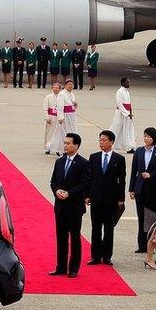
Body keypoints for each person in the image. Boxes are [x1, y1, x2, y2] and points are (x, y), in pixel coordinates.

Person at [49, 133, 90, 278]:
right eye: (64, 143)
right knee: (61, 237)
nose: (65, 146)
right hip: (60, 206)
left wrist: (69, 193)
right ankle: (60, 267)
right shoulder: (59, 162)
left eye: (68, 143)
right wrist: (57, 190)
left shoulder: (83, 163)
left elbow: (84, 184)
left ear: (76, 145)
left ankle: (73, 268)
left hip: (74, 207)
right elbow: (53, 181)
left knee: (74, 237)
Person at [85, 130, 126, 266]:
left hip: (111, 199)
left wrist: (121, 199)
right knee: (95, 228)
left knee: (109, 228)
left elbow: (122, 180)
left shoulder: (119, 159)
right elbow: (89, 178)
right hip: (96, 198)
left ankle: (107, 256)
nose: (101, 142)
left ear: (111, 142)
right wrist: (88, 195)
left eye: (104, 140)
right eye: (100, 140)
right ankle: (95, 256)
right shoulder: (94, 157)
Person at [129, 128, 156, 255]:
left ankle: (151, 244)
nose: (146, 139)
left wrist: (151, 175)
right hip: (140, 188)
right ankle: (142, 245)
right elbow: (134, 171)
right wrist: (131, 189)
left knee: (150, 218)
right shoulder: (139, 151)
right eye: (144, 136)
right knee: (141, 217)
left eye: (149, 136)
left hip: (152, 189)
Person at [110, 77, 137, 154]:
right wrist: (126, 113)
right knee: (116, 128)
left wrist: (130, 112)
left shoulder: (127, 92)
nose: (129, 84)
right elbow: (119, 104)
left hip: (127, 114)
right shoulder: (119, 91)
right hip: (120, 113)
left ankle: (128, 147)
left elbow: (129, 103)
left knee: (127, 130)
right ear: (123, 83)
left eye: (129, 82)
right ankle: (109, 144)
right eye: (127, 82)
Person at [43, 83, 61, 155]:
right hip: (50, 117)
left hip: (59, 117)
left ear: (59, 89)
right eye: (54, 87)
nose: (55, 89)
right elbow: (45, 108)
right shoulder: (48, 97)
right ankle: (48, 148)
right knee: (49, 133)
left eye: (57, 88)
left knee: (58, 133)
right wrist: (47, 118)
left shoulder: (61, 97)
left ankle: (57, 148)